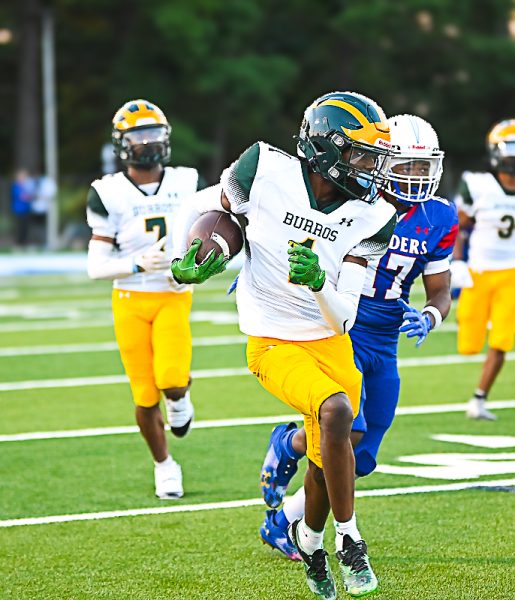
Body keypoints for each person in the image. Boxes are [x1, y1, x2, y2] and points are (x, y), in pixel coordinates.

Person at [171, 91, 397, 599]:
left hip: (328, 339)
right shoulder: (263, 169)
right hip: (272, 339)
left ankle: (311, 543)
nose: (370, 167)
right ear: (324, 149)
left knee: (328, 455)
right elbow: (214, 212)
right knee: (336, 411)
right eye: (360, 153)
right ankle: (351, 538)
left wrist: (320, 282)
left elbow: (347, 320)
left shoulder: (373, 216)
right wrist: (197, 252)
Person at [258, 115, 458, 575]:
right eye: (406, 166)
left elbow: (440, 289)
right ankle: (293, 454)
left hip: (386, 338)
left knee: (361, 458)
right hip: (342, 329)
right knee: (350, 431)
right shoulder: (355, 201)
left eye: (422, 168)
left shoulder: (439, 215)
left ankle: (286, 502)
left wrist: (430, 315)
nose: (414, 178)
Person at [86, 99, 200, 499]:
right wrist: (136, 263)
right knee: (143, 394)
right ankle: (165, 465)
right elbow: (95, 266)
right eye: (139, 136)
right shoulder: (108, 192)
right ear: (122, 143)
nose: (147, 143)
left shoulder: (187, 181)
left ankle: (182, 396)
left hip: (171, 292)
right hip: (131, 298)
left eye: (154, 133)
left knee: (170, 378)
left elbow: (209, 227)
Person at [451, 119, 515, 420]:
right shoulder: (479, 185)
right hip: (478, 271)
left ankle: (479, 399)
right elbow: (458, 227)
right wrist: (458, 261)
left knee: (502, 339)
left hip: (511, 274)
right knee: (468, 344)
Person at [10, 169, 36, 248]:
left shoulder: (26, 186)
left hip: (26, 209)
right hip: (19, 210)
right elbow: (23, 197)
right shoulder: (16, 186)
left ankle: (24, 243)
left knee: (26, 227)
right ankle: (18, 243)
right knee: (20, 227)